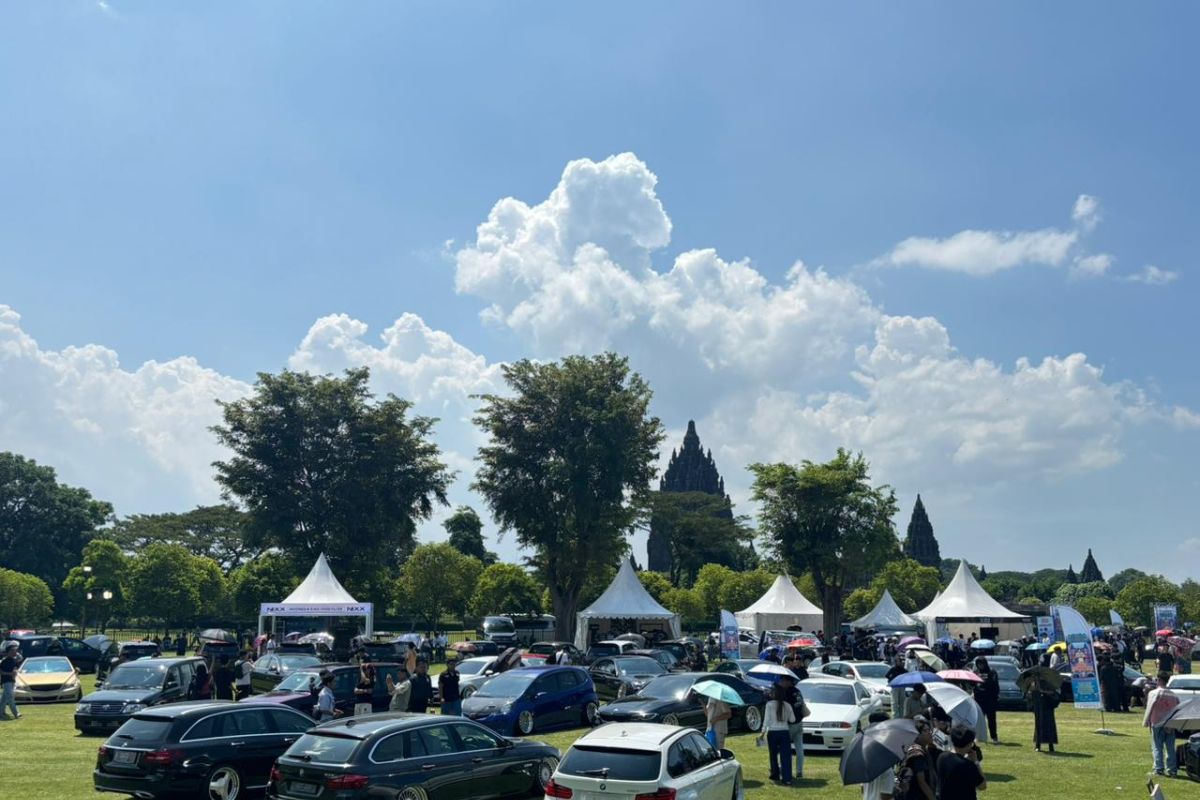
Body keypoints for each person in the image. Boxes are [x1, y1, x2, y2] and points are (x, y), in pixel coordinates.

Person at [1143, 671, 1180, 777]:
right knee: (1170, 748)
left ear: (1159, 680)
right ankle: (1172, 770)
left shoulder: (1154, 693)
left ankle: (1159, 769)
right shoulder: (1173, 695)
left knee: (1157, 747)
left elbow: (1149, 708)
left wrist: (1146, 722)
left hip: (1157, 723)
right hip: (1170, 724)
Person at [935, 725, 986, 799]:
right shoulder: (968, 766)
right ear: (969, 744)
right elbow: (982, 786)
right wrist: (976, 762)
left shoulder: (942, 757)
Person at [894, 716, 936, 800]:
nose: (929, 733)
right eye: (925, 731)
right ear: (917, 735)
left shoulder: (917, 748)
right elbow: (922, 781)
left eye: (929, 730)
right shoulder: (917, 753)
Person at [764, 684, 796, 786]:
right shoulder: (787, 705)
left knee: (773, 754)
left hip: (773, 732)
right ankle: (787, 778)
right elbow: (793, 720)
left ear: (774, 694)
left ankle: (775, 773)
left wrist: (762, 732)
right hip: (784, 732)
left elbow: (766, 720)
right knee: (786, 756)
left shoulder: (769, 704)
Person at [779, 673, 807, 779]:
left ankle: (783, 768)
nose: (781, 682)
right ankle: (799, 771)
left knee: (784, 748)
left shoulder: (786, 693)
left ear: (788, 682)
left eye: (782, 680)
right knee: (799, 749)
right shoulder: (798, 692)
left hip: (790, 724)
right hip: (799, 723)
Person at [862, 712, 894, 800]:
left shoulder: (865, 760)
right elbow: (886, 796)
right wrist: (897, 789)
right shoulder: (887, 769)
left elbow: (863, 789)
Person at [971, 657, 1000, 743]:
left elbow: (995, 686)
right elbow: (972, 684)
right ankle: (979, 736)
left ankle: (994, 737)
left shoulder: (992, 672)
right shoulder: (975, 673)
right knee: (979, 719)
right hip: (979, 700)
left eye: (982, 664)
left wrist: (995, 697)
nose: (980, 666)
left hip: (990, 700)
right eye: (978, 664)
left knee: (991, 720)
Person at [1027, 681, 1058, 753]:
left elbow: (1053, 693)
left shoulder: (1049, 681)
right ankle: (1038, 745)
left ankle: (1051, 746)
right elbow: (1030, 694)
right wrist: (1031, 691)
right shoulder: (1033, 683)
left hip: (1048, 706)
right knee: (1038, 725)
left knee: (1049, 726)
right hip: (1038, 705)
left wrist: (1043, 691)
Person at [0, 642, 21, 720]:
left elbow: (19, 659)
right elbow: (1, 672)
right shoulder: (4, 660)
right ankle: (16, 713)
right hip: (6, 681)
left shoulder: (13, 660)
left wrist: (14, 671)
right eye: (14, 651)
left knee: (4, 699)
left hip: (12, 681)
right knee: (10, 698)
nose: (16, 652)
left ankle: (0, 713)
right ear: (10, 651)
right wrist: (10, 673)